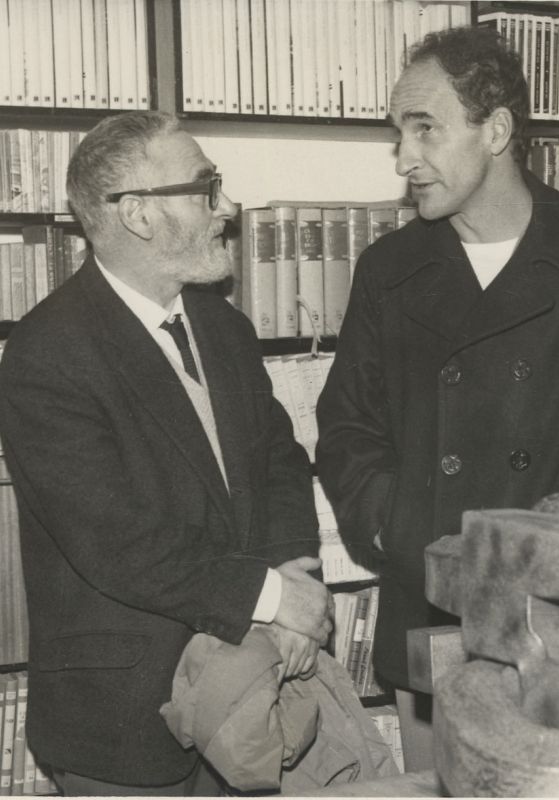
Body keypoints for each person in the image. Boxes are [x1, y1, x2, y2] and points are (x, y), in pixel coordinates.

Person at [315, 25, 559, 770]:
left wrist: (550, 543)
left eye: (425, 129)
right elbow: (346, 430)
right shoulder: (389, 270)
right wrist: (406, 527)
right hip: (435, 612)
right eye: (397, 134)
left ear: (496, 129)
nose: (405, 159)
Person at [0, 111, 333, 796]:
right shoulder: (45, 354)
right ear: (141, 215)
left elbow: (281, 465)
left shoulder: (226, 328)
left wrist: (294, 581)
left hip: (250, 702)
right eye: (206, 187)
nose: (228, 207)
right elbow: (117, 543)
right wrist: (275, 599)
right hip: (125, 730)